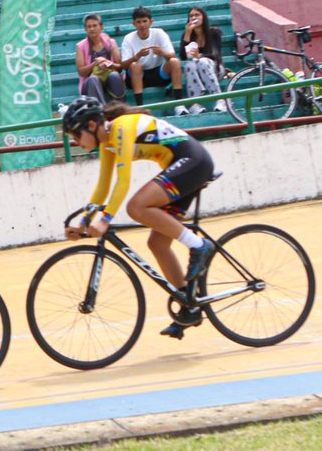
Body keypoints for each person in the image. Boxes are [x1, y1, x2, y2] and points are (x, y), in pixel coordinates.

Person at [61, 97, 216, 339]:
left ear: (91, 125)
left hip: (192, 162)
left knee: (136, 207)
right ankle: (190, 305)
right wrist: (83, 222)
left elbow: (123, 182)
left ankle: (198, 245)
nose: (74, 141)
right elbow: (103, 187)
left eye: (75, 134)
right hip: (180, 168)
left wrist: (105, 219)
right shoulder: (107, 142)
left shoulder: (122, 127)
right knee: (157, 243)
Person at [119, 6, 187, 115]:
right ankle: (140, 107)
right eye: (139, 22)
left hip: (158, 74)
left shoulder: (159, 33)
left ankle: (179, 104)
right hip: (138, 76)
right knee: (135, 65)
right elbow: (124, 65)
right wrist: (137, 56)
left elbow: (172, 55)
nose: (142, 25)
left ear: (151, 22)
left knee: (175, 62)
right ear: (134, 24)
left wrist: (162, 53)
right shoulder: (128, 38)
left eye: (144, 21)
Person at [179, 7, 228, 114]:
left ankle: (220, 99)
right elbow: (183, 56)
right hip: (196, 72)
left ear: (203, 17)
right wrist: (187, 34)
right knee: (189, 65)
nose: (194, 18)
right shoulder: (187, 35)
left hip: (215, 68)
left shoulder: (214, 33)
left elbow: (216, 55)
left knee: (202, 61)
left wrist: (199, 55)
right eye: (191, 16)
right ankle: (194, 104)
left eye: (197, 15)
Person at [74, 13, 126, 104]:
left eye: (95, 26)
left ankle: (120, 108)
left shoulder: (111, 42)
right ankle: (100, 111)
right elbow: (81, 72)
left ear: (101, 27)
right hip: (90, 83)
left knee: (115, 75)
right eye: (89, 27)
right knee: (93, 79)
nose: (92, 29)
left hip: (109, 79)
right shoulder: (80, 46)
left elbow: (120, 67)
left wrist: (108, 63)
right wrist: (95, 63)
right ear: (85, 29)